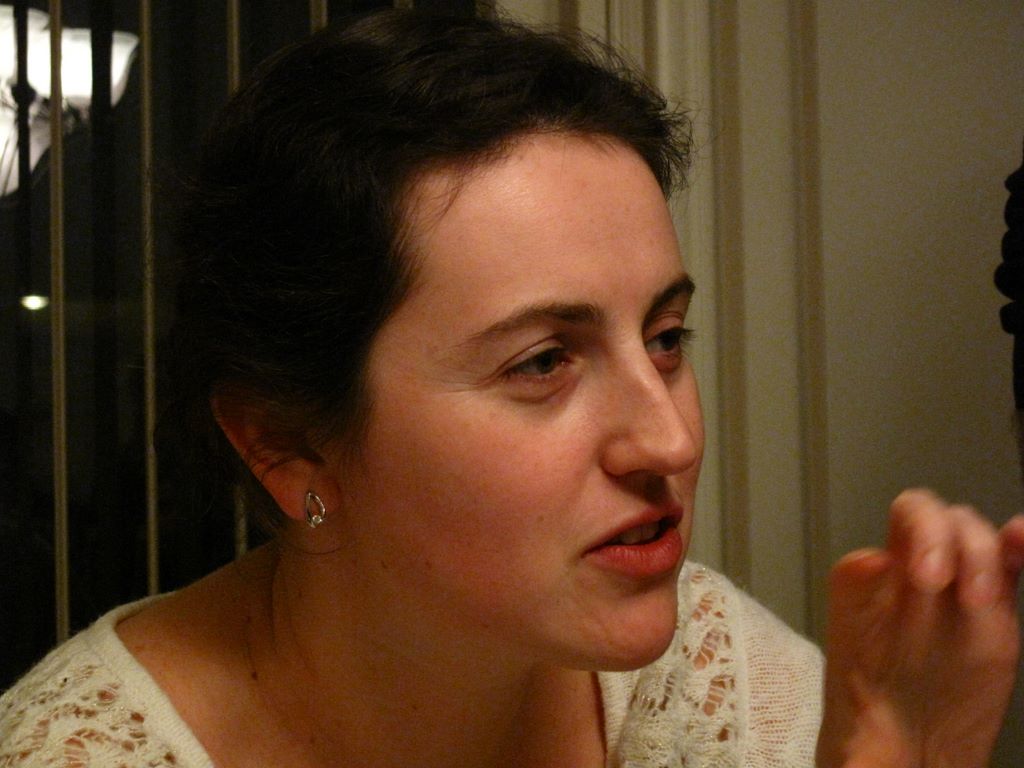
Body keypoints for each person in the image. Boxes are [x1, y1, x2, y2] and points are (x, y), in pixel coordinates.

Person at [3, 10, 1024, 767]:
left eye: (666, 338)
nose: (669, 440)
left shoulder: (715, 679)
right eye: (542, 362)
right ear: (288, 443)